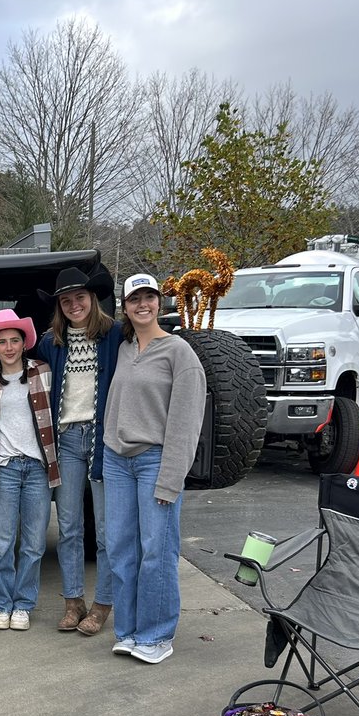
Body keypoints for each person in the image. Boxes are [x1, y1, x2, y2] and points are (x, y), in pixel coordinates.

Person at [103, 273, 206, 665]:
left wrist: (171, 478)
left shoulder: (179, 353)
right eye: (135, 299)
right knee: (120, 548)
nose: (142, 304)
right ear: (125, 307)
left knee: (156, 551)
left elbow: (186, 422)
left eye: (149, 297)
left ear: (160, 303)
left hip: (154, 462)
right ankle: (128, 631)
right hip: (117, 461)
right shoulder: (125, 348)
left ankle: (157, 635)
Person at [33, 266, 124, 638]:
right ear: (59, 306)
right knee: (69, 526)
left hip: (103, 438)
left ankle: (103, 603)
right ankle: (73, 601)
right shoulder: (50, 343)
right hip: (67, 438)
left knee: (105, 529)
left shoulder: (115, 335)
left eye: (80, 298)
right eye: (66, 300)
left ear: (92, 299)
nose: (74, 305)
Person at [0, 309, 60, 630]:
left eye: (14, 340)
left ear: (25, 344)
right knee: (1, 542)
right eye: (2, 342)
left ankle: (23, 604)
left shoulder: (43, 372)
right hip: (5, 468)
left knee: (34, 543)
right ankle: (1, 604)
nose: (9, 347)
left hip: (38, 468)